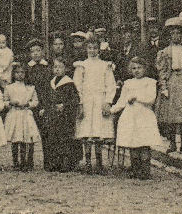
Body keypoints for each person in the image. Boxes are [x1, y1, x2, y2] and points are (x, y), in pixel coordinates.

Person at [110, 56, 162, 180]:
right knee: (132, 143)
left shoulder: (150, 82)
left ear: (144, 69)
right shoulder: (128, 83)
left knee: (144, 143)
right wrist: (112, 110)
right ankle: (135, 169)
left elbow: (151, 99)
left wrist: (136, 97)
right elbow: (122, 100)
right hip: (130, 115)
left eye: (139, 68)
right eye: (134, 68)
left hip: (144, 115)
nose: (137, 70)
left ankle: (145, 171)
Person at [74, 36, 117, 174]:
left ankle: (99, 162)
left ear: (99, 50)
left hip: (100, 100)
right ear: (86, 49)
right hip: (86, 100)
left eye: (95, 48)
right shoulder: (82, 65)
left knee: (98, 132)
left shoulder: (105, 66)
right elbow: (77, 85)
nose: (92, 51)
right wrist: (80, 103)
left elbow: (111, 85)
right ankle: (87, 162)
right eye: (90, 48)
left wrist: (108, 102)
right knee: (87, 131)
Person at [155, 13, 182, 154]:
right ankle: (172, 142)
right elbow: (162, 71)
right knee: (171, 114)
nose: (176, 36)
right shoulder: (165, 52)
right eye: (173, 34)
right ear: (169, 36)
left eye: (178, 33)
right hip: (172, 80)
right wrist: (164, 86)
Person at [42, 57, 80, 172]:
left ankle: (66, 163)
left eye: (60, 67)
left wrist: (64, 105)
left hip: (65, 117)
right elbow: (47, 98)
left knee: (64, 139)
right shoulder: (52, 82)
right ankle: (54, 163)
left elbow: (75, 100)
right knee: (53, 138)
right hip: (53, 115)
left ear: (66, 68)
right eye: (55, 67)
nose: (57, 69)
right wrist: (45, 108)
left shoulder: (69, 83)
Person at [3, 62, 40, 171]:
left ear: (26, 74)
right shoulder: (9, 87)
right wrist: (10, 103)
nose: (20, 75)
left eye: (22, 72)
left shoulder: (30, 88)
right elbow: (5, 101)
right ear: (13, 74)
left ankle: (26, 162)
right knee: (16, 138)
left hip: (26, 114)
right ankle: (16, 162)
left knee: (26, 137)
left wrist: (28, 104)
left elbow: (35, 101)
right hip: (14, 114)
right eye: (17, 72)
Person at [25, 39, 52, 135]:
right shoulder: (28, 67)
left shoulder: (47, 65)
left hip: (46, 96)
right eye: (32, 51)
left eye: (38, 50)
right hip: (33, 97)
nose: (35, 53)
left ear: (43, 51)